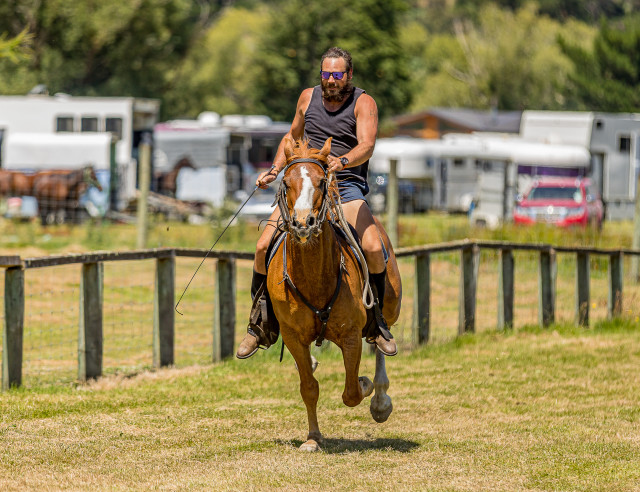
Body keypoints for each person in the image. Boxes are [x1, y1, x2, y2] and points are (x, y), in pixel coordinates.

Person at [236, 46, 397, 359]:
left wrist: (343, 160)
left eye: (337, 74)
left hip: (345, 186)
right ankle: (259, 325)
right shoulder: (307, 98)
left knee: (374, 247)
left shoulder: (363, 103)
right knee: (262, 246)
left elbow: (367, 145)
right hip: (304, 187)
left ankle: (376, 323)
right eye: (326, 74)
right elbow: (290, 138)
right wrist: (274, 170)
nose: (331, 80)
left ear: (349, 74)